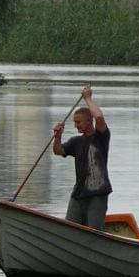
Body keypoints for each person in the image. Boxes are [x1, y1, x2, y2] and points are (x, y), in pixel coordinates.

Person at [52, 86, 112, 231]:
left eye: (78, 122)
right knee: (69, 229)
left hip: (97, 194)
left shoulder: (101, 137)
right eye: (74, 122)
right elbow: (58, 151)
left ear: (88, 121)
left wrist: (88, 98)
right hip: (78, 194)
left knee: (95, 231)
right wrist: (58, 137)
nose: (75, 125)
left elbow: (99, 117)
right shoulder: (75, 142)